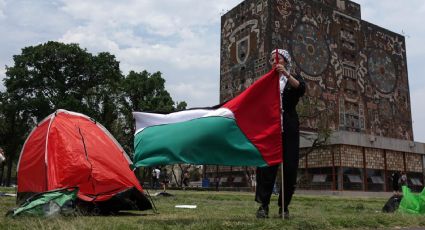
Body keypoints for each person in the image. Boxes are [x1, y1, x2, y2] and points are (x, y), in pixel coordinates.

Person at [255, 49, 306, 219]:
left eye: (278, 59)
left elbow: (301, 88)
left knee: (290, 169)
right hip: (271, 130)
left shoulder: (293, 79)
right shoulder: (267, 82)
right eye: (271, 60)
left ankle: (284, 207)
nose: (274, 62)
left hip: (289, 129)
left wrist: (286, 75)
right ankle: (264, 206)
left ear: (286, 61)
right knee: (266, 168)